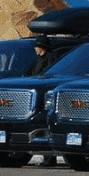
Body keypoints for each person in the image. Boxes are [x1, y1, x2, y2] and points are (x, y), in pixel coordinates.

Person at [30, 35, 60, 167]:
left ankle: (49, 158)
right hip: (37, 95)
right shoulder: (38, 60)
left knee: (45, 125)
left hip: (45, 97)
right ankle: (46, 157)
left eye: (37, 46)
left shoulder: (50, 59)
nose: (35, 49)